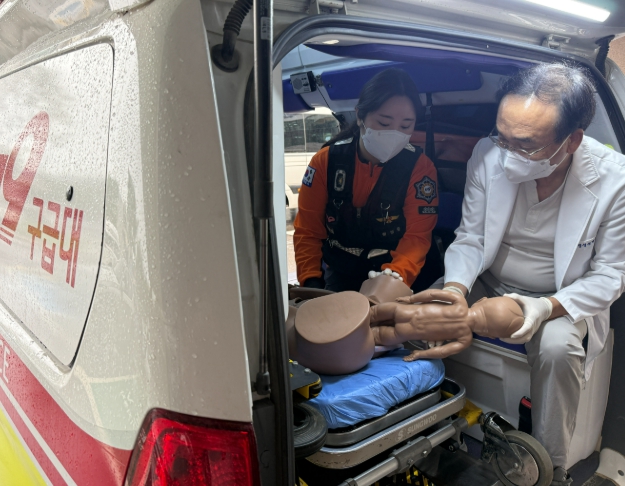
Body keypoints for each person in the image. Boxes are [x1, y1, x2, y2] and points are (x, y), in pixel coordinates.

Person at [435, 63, 625, 485]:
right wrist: (455, 290)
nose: (507, 152)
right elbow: (471, 238)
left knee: (558, 350)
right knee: (429, 311)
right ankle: (432, 424)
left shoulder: (616, 181)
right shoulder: (487, 155)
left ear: (572, 141)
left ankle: (547, 469)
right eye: (502, 136)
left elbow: (611, 275)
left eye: (526, 145)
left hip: (559, 296)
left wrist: (545, 308)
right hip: (489, 280)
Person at [293, 68, 439, 292]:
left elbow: (417, 237)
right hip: (343, 271)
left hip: (400, 272)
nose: (394, 133)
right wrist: (311, 282)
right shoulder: (325, 162)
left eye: (405, 126)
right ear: (360, 116)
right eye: (384, 123)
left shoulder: (420, 168)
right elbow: (308, 231)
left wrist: (391, 281)